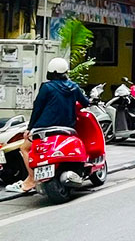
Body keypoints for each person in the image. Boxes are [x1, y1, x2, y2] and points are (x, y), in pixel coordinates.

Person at [6, 57, 92, 193]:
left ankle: (31, 179)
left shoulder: (47, 87)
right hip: (67, 127)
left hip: (43, 127)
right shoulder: (74, 87)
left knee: (25, 148)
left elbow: (37, 108)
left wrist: (29, 129)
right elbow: (86, 102)